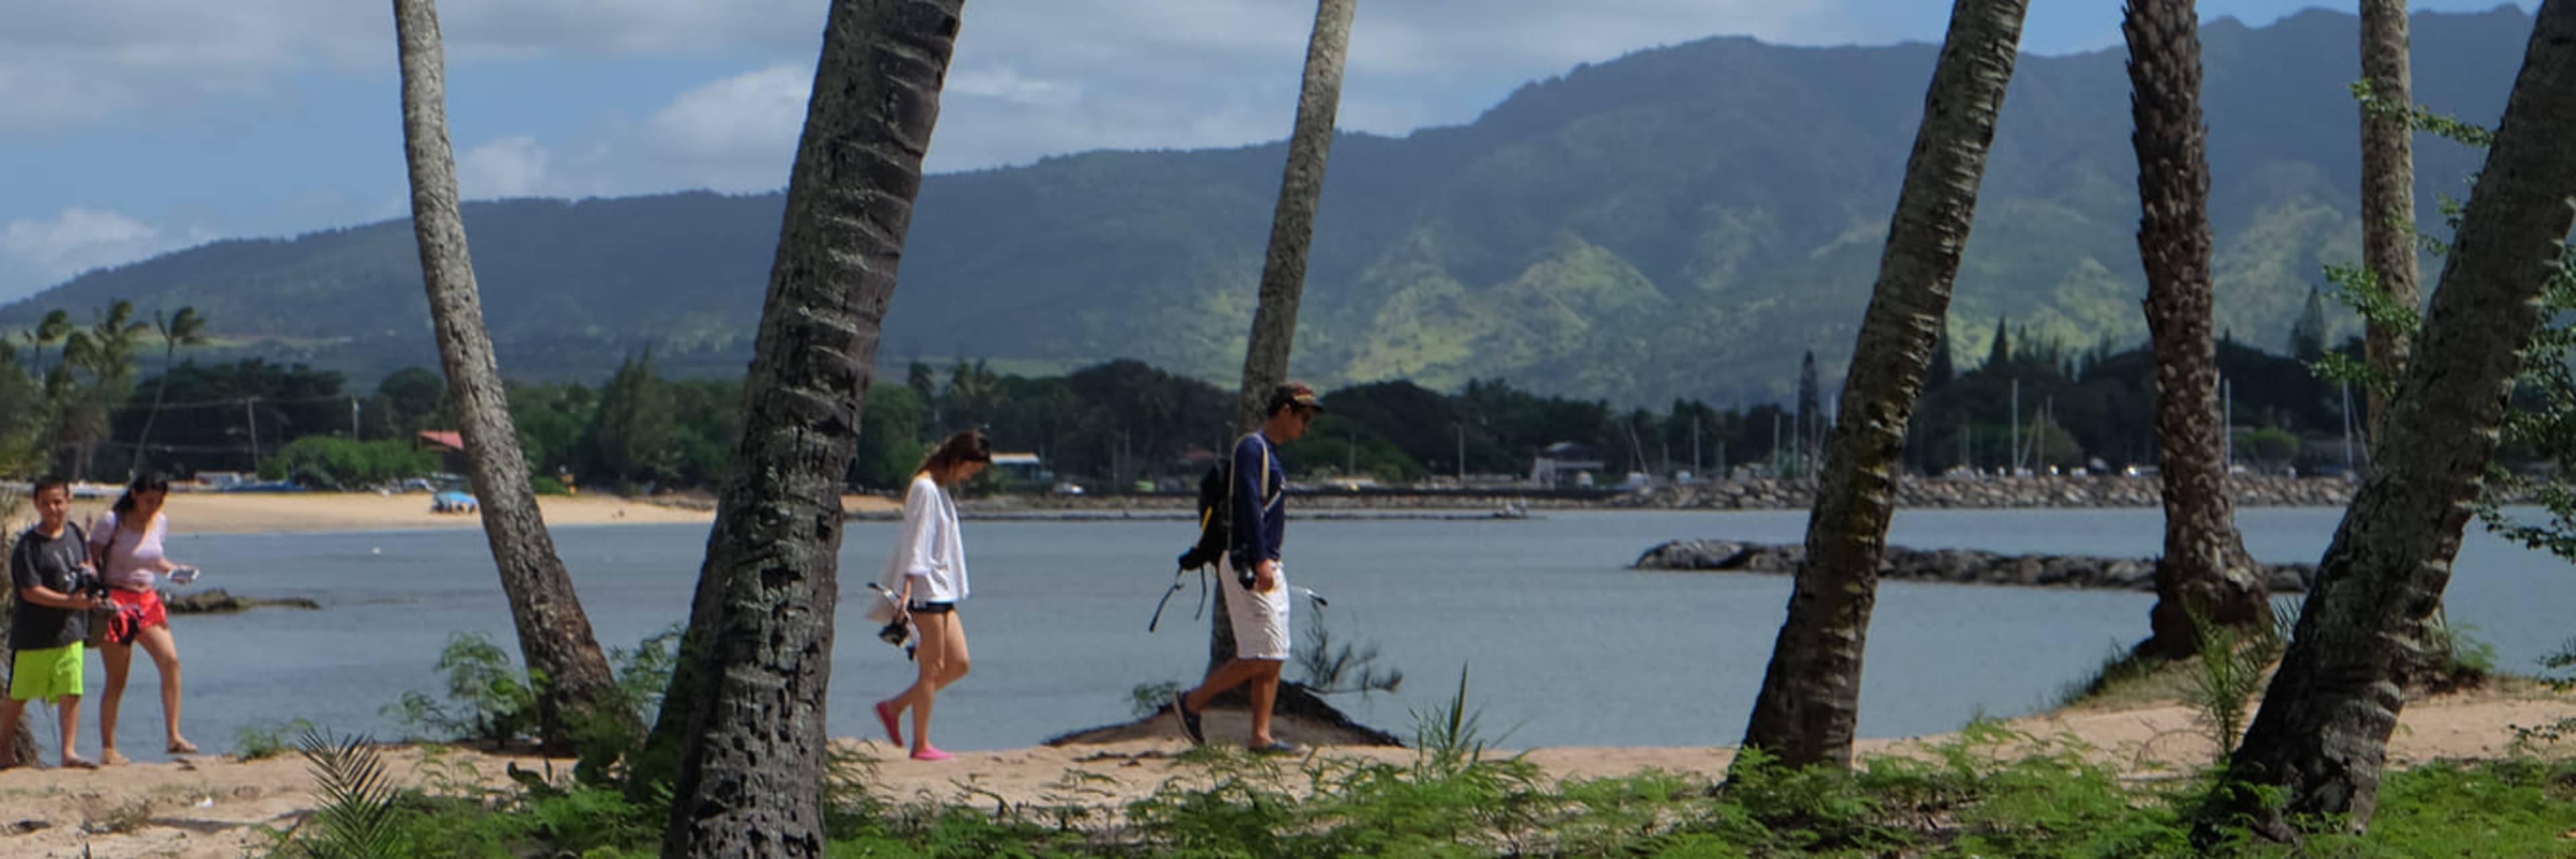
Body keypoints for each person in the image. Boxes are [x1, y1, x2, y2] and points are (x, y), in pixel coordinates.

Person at [1174, 382, 1320, 754]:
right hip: (1249, 562)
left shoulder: (1268, 452)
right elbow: (1247, 507)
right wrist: (1259, 560)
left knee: (1275, 654)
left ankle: (1260, 735)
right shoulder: (1252, 448)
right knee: (1261, 654)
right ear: (1285, 411)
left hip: (1268, 561)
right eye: (1304, 418)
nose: (1307, 428)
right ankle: (1193, 701)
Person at [872, 429, 991, 762]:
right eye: (970, 469)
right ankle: (921, 744)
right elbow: (916, 541)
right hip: (925, 590)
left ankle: (894, 707)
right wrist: (906, 590)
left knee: (959, 663)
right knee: (932, 667)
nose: (970, 476)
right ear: (958, 461)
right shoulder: (925, 488)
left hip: (943, 587)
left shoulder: (938, 488)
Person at [89, 472, 194, 761]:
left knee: (170, 660)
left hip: (147, 597)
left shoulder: (159, 522)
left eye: (159, 502)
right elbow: (91, 559)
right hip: (117, 598)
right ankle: (109, 747)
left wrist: (172, 570)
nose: (153, 507)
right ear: (134, 494)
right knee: (118, 677)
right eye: (149, 500)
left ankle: (173, 735)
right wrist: (97, 596)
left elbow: (152, 558)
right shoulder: (113, 521)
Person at [0, 477, 104, 769]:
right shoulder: (28, 546)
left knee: (72, 689)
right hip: (33, 635)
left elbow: (87, 567)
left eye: (58, 501)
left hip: (71, 630)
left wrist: (90, 582)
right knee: (19, 695)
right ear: (36, 504)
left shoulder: (73, 533)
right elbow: (30, 591)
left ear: (69, 501)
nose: (52, 508)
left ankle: (69, 752)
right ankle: (3, 746)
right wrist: (70, 602)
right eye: (46, 502)